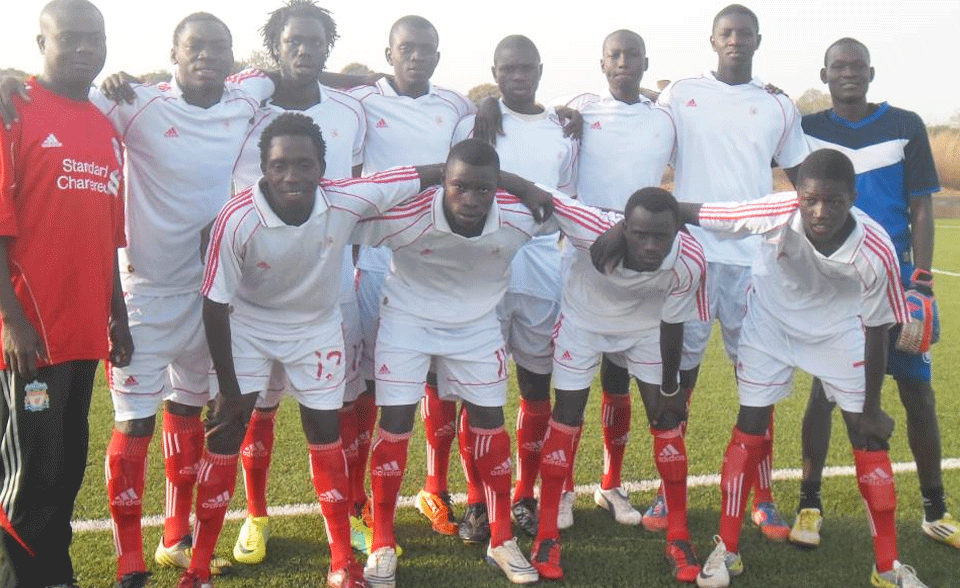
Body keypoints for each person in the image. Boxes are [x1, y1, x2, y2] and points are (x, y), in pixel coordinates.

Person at [0, 12, 276, 587]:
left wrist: (375, 86)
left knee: (135, 432)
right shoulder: (124, 103)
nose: (207, 56)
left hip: (194, 299)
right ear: (172, 54)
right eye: (194, 46)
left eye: (219, 47)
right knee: (93, 441)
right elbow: (48, 98)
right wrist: (7, 78)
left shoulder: (236, 97)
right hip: (118, 301)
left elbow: (309, 76)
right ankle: (114, 561)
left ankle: (163, 541)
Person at [649, 149, 930, 588]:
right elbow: (702, 213)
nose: (820, 211)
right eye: (810, 200)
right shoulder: (775, 211)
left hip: (838, 335)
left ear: (853, 199)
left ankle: (888, 565)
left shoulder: (876, 249)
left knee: (868, 435)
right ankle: (727, 549)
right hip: (771, 329)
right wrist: (639, 217)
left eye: (834, 202)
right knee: (749, 429)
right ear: (797, 195)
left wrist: (873, 406)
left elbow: (878, 330)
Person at [185, 112, 443, 588]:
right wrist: (228, 390)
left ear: (323, 167)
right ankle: (199, 566)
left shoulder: (345, 198)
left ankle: (342, 561)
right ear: (263, 167)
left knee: (326, 435)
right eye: (279, 165)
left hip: (317, 331)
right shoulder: (236, 217)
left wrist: (518, 186)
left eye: (304, 164)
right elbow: (214, 304)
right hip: (250, 329)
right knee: (225, 434)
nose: (292, 176)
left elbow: (421, 175)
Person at [357, 139, 554, 587]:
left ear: (497, 188)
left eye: (483, 189)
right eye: (458, 186)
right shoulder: (407, 214)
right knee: (395, 423)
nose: (470, 199)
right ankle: (382, 541)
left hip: (477, 325)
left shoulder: (519, 214)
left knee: (490, 424)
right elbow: (347, 202)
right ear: (442, 182)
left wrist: (527, 188)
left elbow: (585, 218)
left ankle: (501, 539)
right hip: (407, 321)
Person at [651, 3, 808, 539]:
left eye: (745, 32)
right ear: (713, 40)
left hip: (755, 261)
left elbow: (803, 176)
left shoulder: (778, 105)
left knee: (757, 378)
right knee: (679, 377)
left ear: (758, 40)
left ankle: (764, 498)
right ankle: (667, 490)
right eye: (727, 32)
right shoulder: (680, 95)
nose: (736, 39)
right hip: (692, 255)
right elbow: (642, 132)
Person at [793, 38, 952, 550]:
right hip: (833, 282)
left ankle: (935, 508)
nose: (848, 73)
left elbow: (921, 206)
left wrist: (921, 280)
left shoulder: (904, 124)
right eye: (838, 66)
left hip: (896, 281)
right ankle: (809, 503)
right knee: (823, 392)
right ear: (824, 74)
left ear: (871, 73)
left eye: (857, 66)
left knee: (917, 391)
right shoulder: (805, 128)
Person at [230, 0, 371, 563]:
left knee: (342, 403)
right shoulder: (245, 104)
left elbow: (352, 191)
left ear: (327, 47)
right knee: (257, 407)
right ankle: (256, 514)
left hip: (328, 286)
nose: (305, 51)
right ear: (276, 47)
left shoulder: (350, 111)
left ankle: (352, 511)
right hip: (256, 289)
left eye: (315, 41)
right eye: (294, 41)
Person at [0, 1, 132, 586]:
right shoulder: (13, 111)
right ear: (41, 42)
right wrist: (11, 321)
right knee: (29, 475)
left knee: (66, 468)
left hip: (84, 333)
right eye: (70, 37)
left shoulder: (103, 126)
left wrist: (117, 316)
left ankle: (57, 573)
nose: (85, 48)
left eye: (94, 38)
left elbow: (107, 235)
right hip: (30, 336)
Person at [530, 188, 707, 583]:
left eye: (661, 236)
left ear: (678, 230)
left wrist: (670, 387)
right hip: (583, 324)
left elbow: (673, 324)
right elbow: (544, 194)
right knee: (566, 417)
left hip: (644, 329)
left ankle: (679, 536)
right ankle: (546, 535)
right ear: (624, 227)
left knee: (666, 421)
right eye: (640, 234)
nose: (650, 245)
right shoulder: (589, 227)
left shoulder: (691, 259)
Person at [348, 15, 475, 539]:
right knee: (366, 382)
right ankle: (356, 500)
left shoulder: (457, 106)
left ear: (438, 56)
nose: (416, 57)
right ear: (389, 53)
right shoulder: (361, 101)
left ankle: (435, 488)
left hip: (434, 258)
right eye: (406, 48)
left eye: (426, 49)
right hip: (377, 258)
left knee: (438, 374)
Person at [451, 34, 577, 542]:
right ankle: (476, 500)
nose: (518, 76)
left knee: (535, 386)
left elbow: (565, 198)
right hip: (483, 268)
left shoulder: (563, 130)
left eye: (526, 67)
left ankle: (524, 494)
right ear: (495, 73)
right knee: (476, 388)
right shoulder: (475, 122)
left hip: (542, 269)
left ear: (540, 70)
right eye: (508, 68)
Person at [551, 28, 676, 531]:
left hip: (644, 260)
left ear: (646, 62)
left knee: (618, 379)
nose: (624, 62)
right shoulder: (579, 108)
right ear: (602, 63)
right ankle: (561, 491)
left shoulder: (665, 118)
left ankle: (610, 484)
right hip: (588, 258)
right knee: (572, 389)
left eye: (632, 55)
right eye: (615, 55)